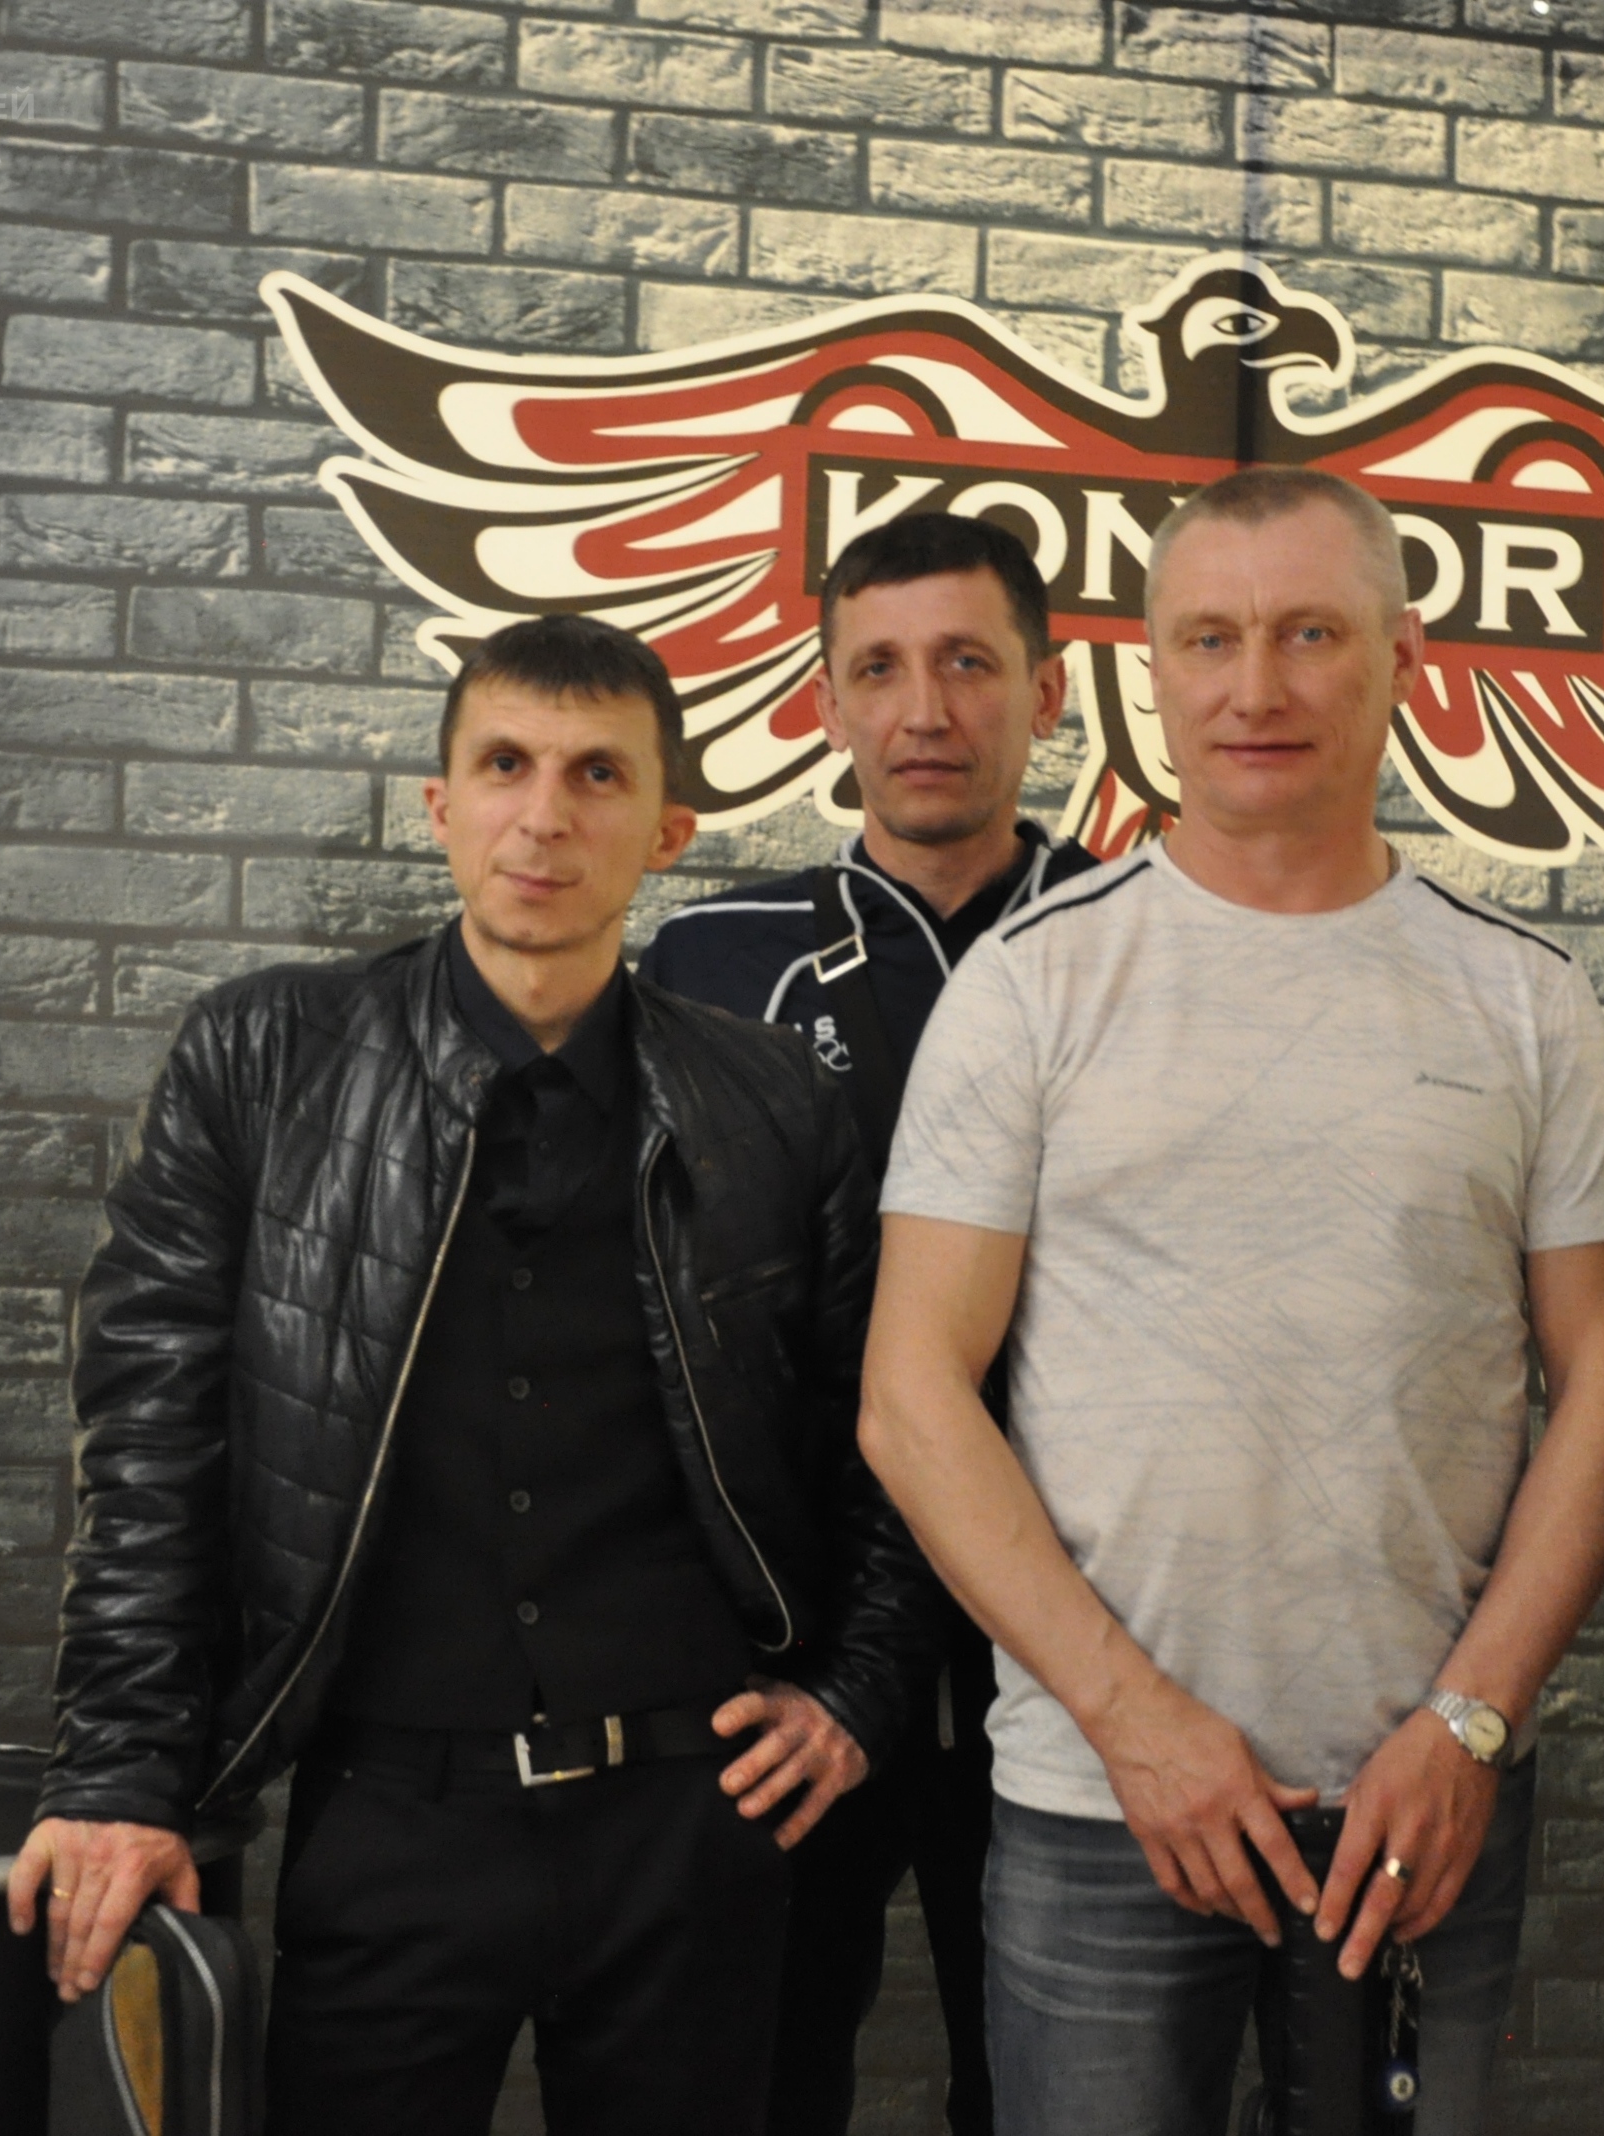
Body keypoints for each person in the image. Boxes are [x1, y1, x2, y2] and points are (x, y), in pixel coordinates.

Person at [7, 615, 937, 2136]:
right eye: (506, 765)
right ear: (441, 806)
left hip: (690, 1822)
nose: (544, 815)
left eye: (597, 775)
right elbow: (150, 1445)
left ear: (668, 829)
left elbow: (889, 1436)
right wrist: (118, 1775)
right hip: (386, 1817)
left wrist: (857, 1694)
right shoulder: (262, 1062)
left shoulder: (775, 1105)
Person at [857, 465, 1604, 2136]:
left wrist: (1471, 1725)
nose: (1256, 686)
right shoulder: (1030, 985)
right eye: (1209, 640)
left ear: (1404, 657)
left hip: (1423, 1800)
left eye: (1311, 633)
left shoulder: (1525, 1000)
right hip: (1100, 1796)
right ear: (1150, 670)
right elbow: (911, 1400)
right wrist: (1135, 1722)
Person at [639, 510, 1101, 2136]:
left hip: (1081, 1649)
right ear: (827, 702)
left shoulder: (1143, 939)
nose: (926, 711)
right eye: (881, 670)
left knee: (1052, 2100)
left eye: (970, 663)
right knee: (765, 2083)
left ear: (1047, 692)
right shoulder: (711, 962)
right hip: (795, 1665)